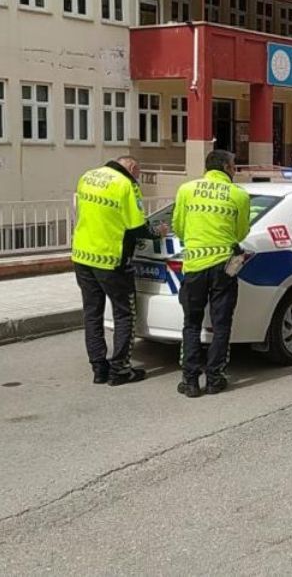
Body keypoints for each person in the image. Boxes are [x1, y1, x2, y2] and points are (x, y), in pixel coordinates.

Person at [172, 150, 251, 398]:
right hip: (224, 267)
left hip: (194, 265)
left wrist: (197, 241)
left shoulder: (186, 189)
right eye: (234, 166)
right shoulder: (239, 194)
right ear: (226, 167)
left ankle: (190, 381)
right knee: (221, 324)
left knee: (191, 323)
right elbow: (241, 232)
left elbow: (178, 227)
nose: (235, 170)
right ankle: (215, 379)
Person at [72, 156, 157, 386]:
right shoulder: (125, 185)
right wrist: (156, 232)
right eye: (138, 175)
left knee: (92, 313)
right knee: (124, 314)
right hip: (111, 260)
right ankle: (120, 369)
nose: (137, 179)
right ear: (133, 168)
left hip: (82, 256)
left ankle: (99, 368)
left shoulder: (87, 176)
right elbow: (137, 227)